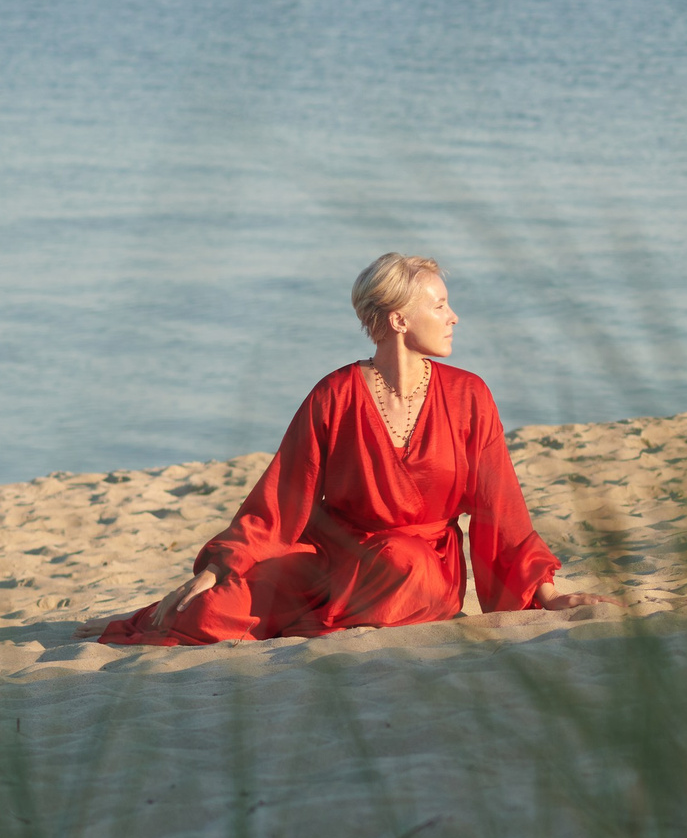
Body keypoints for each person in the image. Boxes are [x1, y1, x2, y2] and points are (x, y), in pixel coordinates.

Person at [83, 254, 604, 645]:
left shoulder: (470, 395)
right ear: (399, 319)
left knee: (405, 564)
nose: (454, 317)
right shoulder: (335, 394)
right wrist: (217, 568)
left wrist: (547, 593)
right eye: (440, 305)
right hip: (338, 559)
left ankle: (344, 614)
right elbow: (280, 499)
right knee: (202, 614)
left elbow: (501, 509)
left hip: (421, 564)